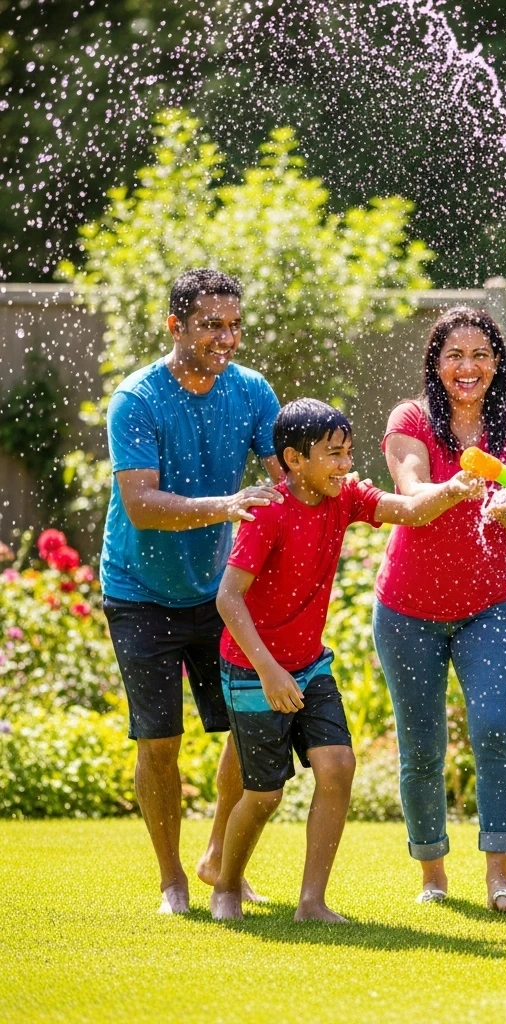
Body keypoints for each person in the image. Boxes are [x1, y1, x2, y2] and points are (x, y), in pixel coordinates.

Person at [213, 399, 481, 922]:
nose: (344, 465)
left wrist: (452, 490)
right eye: (333, 455)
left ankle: (311, 902)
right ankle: (225, 885)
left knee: (337, 767)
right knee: (264, 794)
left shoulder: (346, 497)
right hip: (254, 669)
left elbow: (407, 510)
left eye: (348, 453)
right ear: (292, 458)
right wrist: (268, 670)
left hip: (310, 665)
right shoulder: (268, 511)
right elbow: (228, 598)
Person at [101, 268, 283, 914]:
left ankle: (214, 856)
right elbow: (142, 504)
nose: (226, 338)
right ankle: (171, 878)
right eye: (212, 325)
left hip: (216, 593)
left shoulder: (253, 392)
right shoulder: (137, 399)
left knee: (246, 722)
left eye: (234, 325)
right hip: (139, 591)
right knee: (159, 741)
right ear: (175, 325)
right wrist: (228, 505)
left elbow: (283, 483)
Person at [372, 307, 506, 912]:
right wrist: (451, 491)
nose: (467, 368)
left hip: (490, 605)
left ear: (496, 364)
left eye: (480, 356)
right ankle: (433, 876)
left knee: (494, 728)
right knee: (421, 746)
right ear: (436, 365)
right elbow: (411, 493)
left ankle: (500, 878)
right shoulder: (411, 419)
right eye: (454, 357)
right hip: (408, 607)